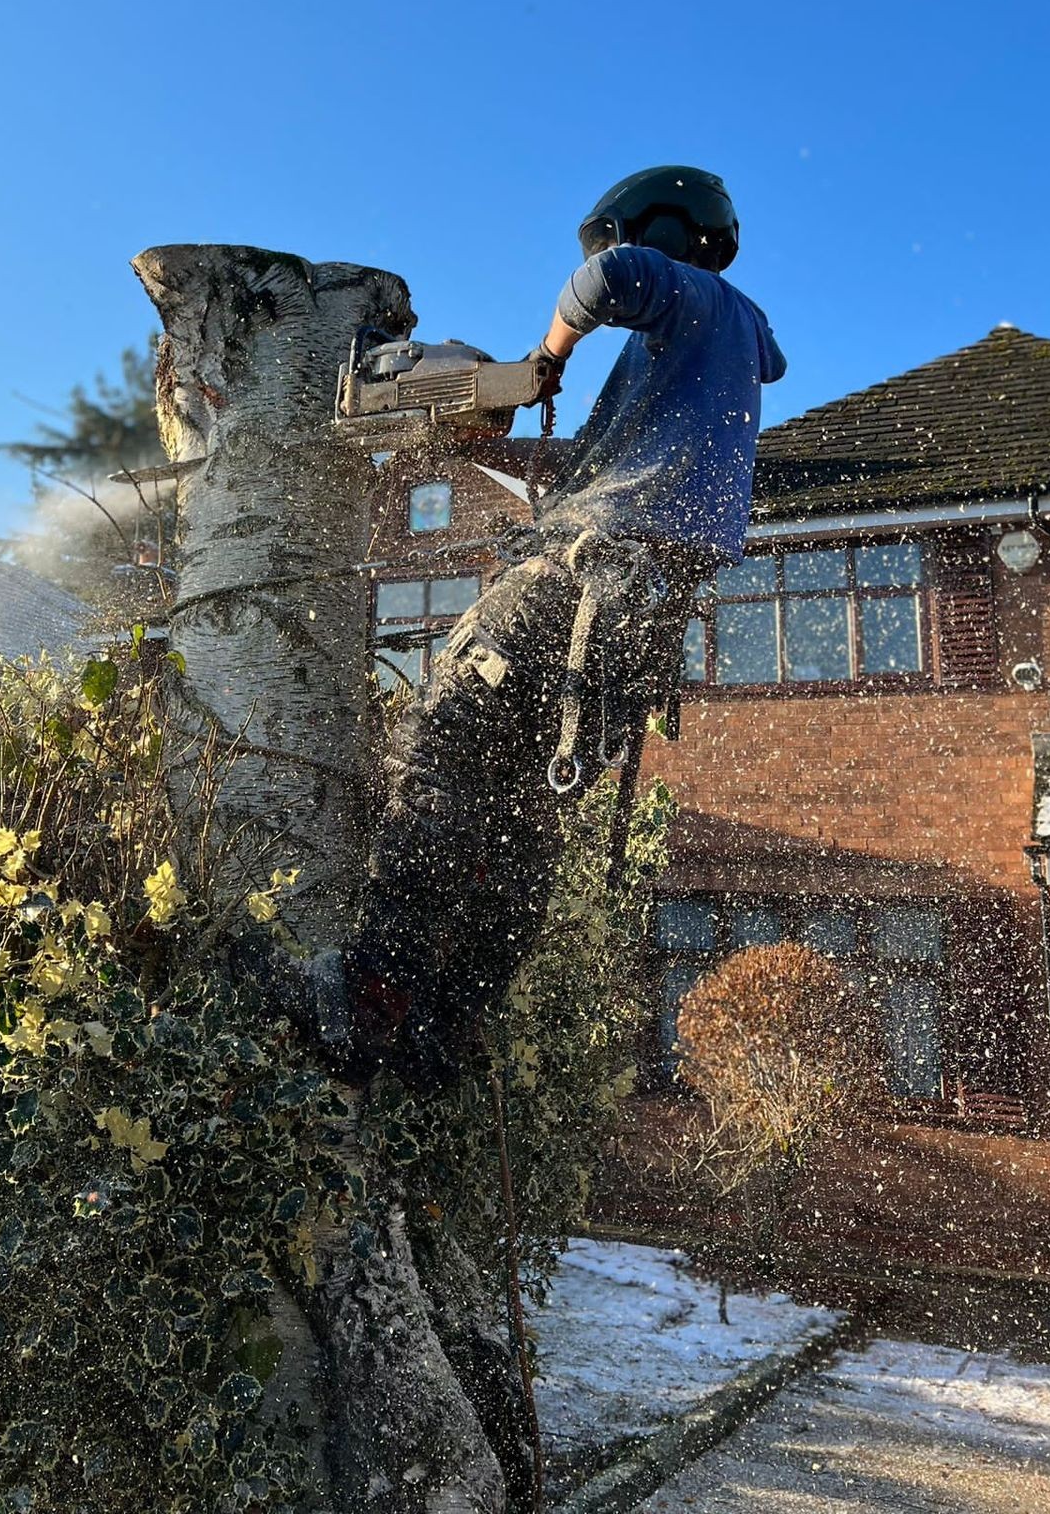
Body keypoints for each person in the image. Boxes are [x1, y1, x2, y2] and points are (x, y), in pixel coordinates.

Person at [243, 165, 786, 1090]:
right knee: (519, 818)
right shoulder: (719, 360)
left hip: (584, 584)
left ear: (660, 229)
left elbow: (604, 283)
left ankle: (370, 990)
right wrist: (481, 431)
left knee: (444, 747)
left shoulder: (701, 302)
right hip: (635, 617)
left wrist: (546, 359)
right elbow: (605, 469)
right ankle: (437, 1032)